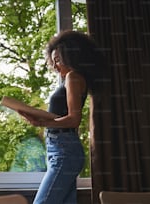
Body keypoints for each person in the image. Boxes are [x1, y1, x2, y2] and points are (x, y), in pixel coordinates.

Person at [18, 30, 104, 204]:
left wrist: (43, 123)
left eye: (58, 60)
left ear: (71, 56)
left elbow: (73, 119)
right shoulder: (71, 79)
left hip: (65, 150)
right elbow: (63, 117)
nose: (55, 66)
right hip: (59, 148)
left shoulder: (73, 77)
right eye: (53, 61)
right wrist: (41, 120)